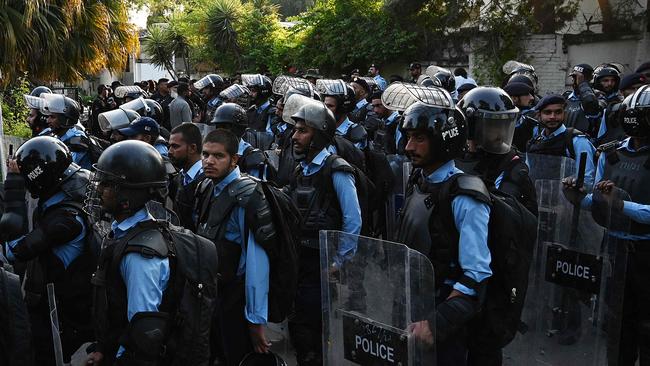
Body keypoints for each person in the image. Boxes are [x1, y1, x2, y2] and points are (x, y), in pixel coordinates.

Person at [395, 100, 491, 365]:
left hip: (441, 318)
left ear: (443, 140)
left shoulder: (465, 195)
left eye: (419, 138)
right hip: (411, 302)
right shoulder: (419, 179)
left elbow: (476, 274)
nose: (408, 147)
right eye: (408, 137)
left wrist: (436, 324)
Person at [564, 84, 650, 365]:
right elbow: (599, 199)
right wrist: (579, 198)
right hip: (613, 247)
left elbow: (621, 203)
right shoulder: (611, 154)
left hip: (645, 252)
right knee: (615, 326)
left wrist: (622, 205)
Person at [3, 136, 95, 365]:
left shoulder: (64, 221)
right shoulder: (74, 189)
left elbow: (14, 249)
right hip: (67, 303)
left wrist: (14, 185)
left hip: (65, 314)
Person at [286, 100, 362, 366]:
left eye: (302, 131)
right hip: (301, 262)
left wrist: (338, 263)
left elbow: (353, 221)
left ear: (319, 134)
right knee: (299, 327)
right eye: (295, 130)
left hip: (323, 264)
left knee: (317, 332)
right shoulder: (300, 169)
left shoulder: (336, 169)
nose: (295, 136)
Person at [84, 140, 171, 365]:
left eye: (107, 184)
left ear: (126, 197)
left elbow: (141, 330)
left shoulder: (140, 256)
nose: (99, 189)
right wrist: (104, 349)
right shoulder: (121, 231)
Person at [194, 129, 272, 365]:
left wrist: (255, 320)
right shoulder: (207, 186)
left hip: (235, 300)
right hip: (211, 294)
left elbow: (256, 264)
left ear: (234, 159)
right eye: (205, 154)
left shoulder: (247, 196)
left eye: (218, 156)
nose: (209, 161)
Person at [457, 86, 538, 216]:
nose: (501, 134)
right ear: (472, 126)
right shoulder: (454, 160)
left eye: (505, 126)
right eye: (494, 126)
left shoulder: (512, 166)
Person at [527, 94, 597, 187]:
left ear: (565, 114)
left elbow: (587, 179)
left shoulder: (577, 141)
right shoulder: (534, 143)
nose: (553, 117)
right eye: (547, 112)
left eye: (558, 112)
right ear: (539, 115)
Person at [210, 103, 270, 179]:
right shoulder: (213, 151)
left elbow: (255, 187)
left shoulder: (252, 157)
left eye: (225, 127)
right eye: (218, 127)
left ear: (238, 128)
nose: (220, 131)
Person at [168, 123, 205, 231]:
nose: (169, 151)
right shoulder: (178, 178)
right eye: (169, 146)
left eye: (175, 146)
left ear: (192, 148)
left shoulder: (207, 181)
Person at [41, 93, 93, 169]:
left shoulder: (78, 140)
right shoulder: (58, 136)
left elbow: (63, 166)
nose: (48, 120)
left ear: (65, 120)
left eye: (52, 117)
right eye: (48, 116)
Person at [320, 80, 368, 149]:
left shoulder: (356, 133)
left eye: (330, 106)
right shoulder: (322, 127)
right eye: (324, 105)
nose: (325, 109)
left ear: (342, 109)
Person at [564, 63, 606, 138]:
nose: (574, 80)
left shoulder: (599, 96)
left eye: (578, 78)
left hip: (585, 142)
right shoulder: (565, 97)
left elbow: (593, 110)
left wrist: (582, 84)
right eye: (573, 77)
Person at [504, 81, 537, 152]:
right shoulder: (501, 119)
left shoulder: (532, 116)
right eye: (527, 94)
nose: (532, 98)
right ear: (514, 98)